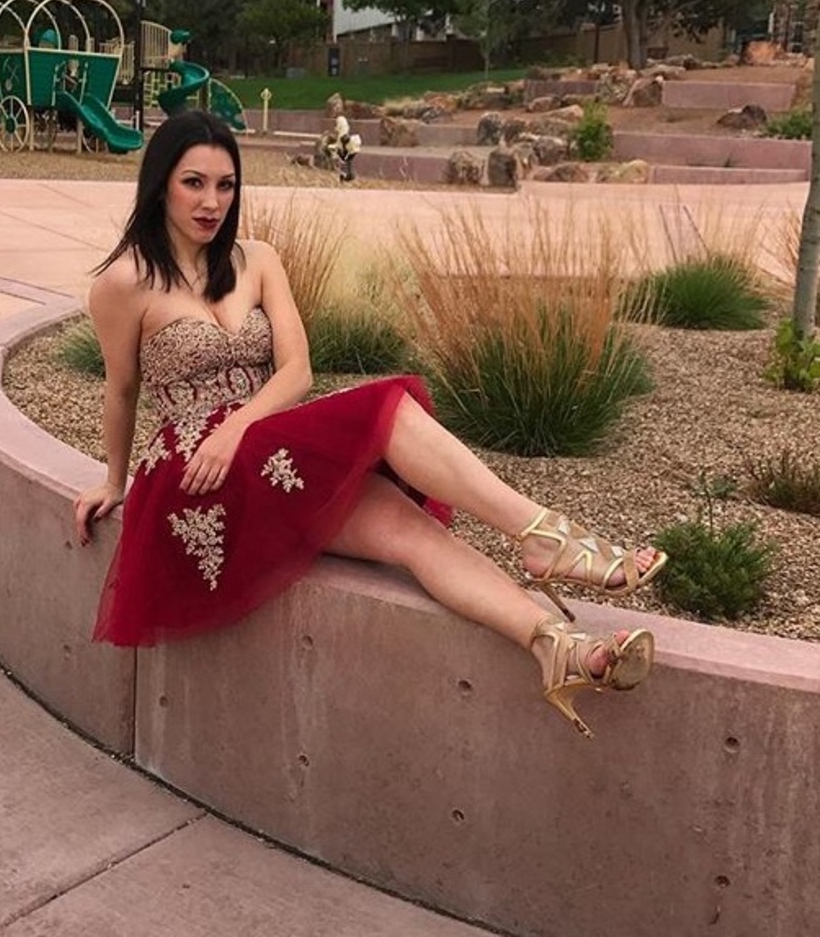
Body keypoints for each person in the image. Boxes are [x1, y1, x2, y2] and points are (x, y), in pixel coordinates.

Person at [73, 111, 667, 740]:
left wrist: (238, 427)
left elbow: (297, 370)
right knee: (390, 408)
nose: (212, 201)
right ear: (160, 183)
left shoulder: (258, 260)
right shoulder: (124, 282)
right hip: (196, 476)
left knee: (411, 533)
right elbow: (122, 390)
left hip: (265, 449)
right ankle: (544, 536)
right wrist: (114, 480)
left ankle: (557, 646)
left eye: (226, 186)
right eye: (194, 183)